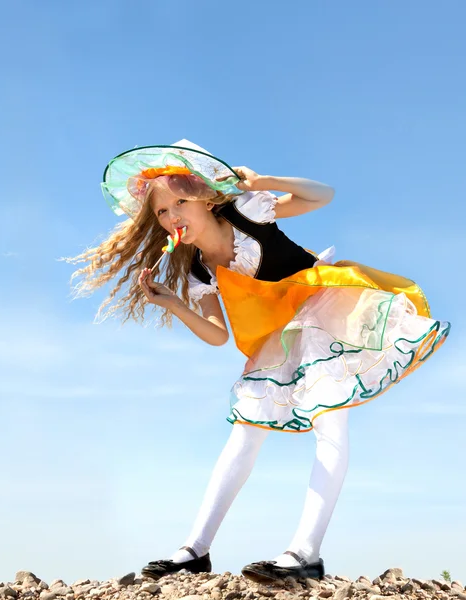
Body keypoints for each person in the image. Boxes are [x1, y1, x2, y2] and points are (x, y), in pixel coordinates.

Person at [67, 139, 450, 584]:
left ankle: (305, 553)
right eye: (162, 212)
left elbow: (321, 195)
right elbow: (217, 335)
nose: (172, 217)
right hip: (277, 334)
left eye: (180, 202)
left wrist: (263, 180)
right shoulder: (197, 269)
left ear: (208, 198)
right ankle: (195, 550)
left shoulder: (248, 210)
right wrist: (174, 304)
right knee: (244, 431)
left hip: (323, 307)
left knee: (330, 421)